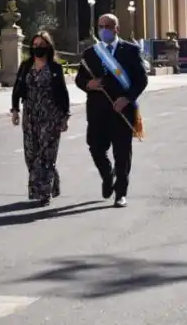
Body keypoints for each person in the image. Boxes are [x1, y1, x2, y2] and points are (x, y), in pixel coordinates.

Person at [75, 13, 148, 208]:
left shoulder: (131, 50)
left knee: (122, 153)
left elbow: (142, 80)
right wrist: (89, 84)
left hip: (122, 111)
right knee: (96, 148)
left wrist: (127, 98)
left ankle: (121, 193)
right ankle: (108, 176)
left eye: (108, 26)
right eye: (101, 26)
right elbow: (79, 80)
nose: (104, 29)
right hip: (98, 112)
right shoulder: (91, 53)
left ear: (117, 28)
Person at [10, 31, 71, 207]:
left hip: (51, 116)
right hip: (30, 116)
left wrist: (65, 116)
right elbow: (17, 89)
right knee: (31, 154)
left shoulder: (54, 68)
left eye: (41, 45)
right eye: (35, 45)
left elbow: (63, 93)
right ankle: (52, 182)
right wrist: (15, 110)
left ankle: (43, 193)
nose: (38, 48)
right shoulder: (25, 66)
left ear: (48, 47)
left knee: (46, 155)